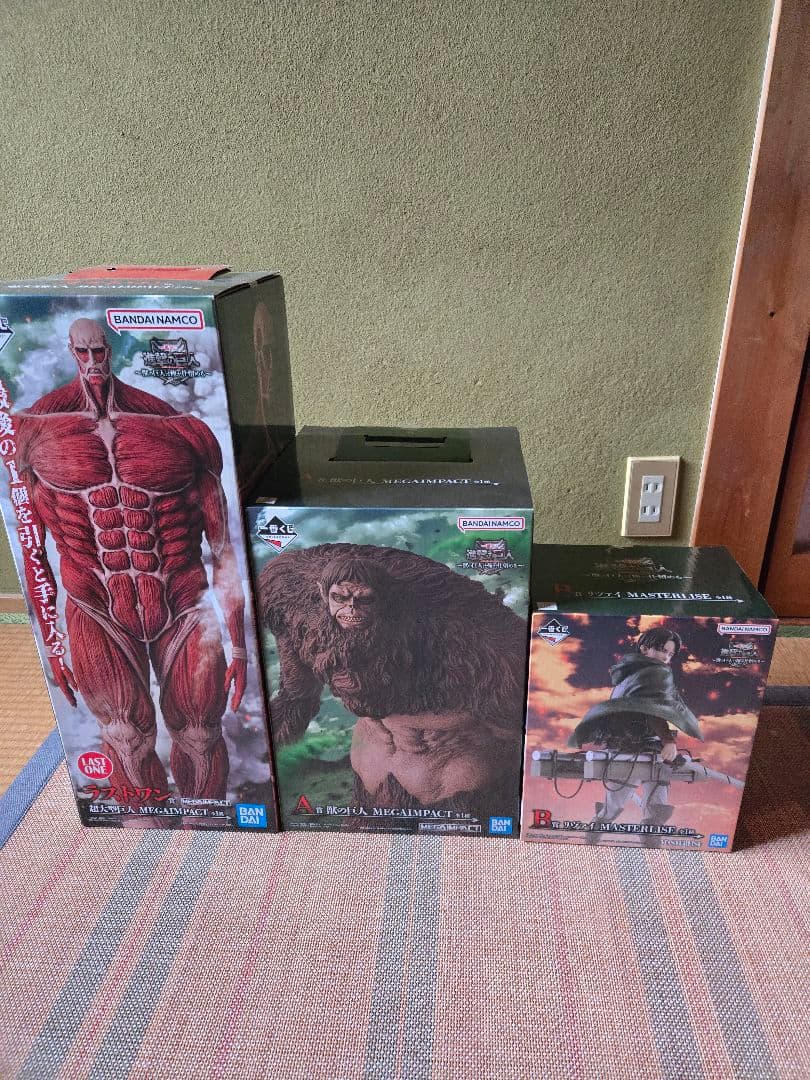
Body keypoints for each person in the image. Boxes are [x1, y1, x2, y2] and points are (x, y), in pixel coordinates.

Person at [14, 318, 247, 809]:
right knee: (123, 733)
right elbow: (33, 550)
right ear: (71, 351)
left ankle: (207, 825)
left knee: (201, 731)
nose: (93, 362)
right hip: (95, 603)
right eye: (83, 352)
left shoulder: (180, 429)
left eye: (100, 351)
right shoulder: (33, 431)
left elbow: (221, 547)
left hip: (181, 598)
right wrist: (53, 645)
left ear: (111, 349)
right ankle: (144, 832)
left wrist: (240, 646)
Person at [569, 627, 703, 834]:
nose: (666, 658)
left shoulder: (630, 672)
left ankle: (621, 833)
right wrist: (668, 741)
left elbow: (651, 709)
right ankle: (595, 833)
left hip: (639, 746)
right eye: (662, 651)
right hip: (631, 747)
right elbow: (652, 710)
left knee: (648, 800)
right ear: (645, 648)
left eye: (670, 654)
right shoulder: (655, 672)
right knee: (621, 801)